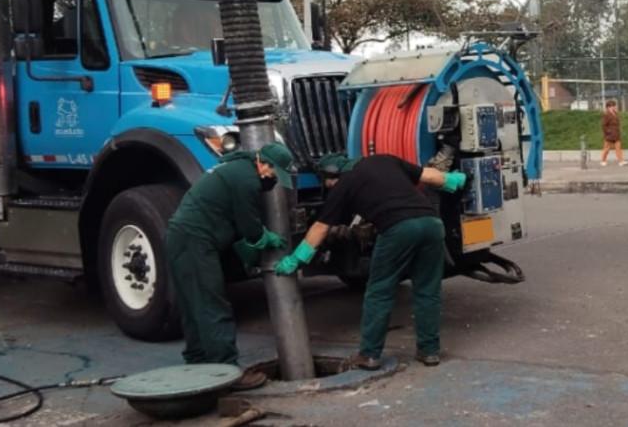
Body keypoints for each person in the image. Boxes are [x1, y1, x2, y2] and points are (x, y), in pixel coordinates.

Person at [274, 153, 467, 370]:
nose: (328, 186)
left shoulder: (344, 184)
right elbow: (429, 175)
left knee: (379, 292)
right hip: (432, 224)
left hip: (398, 228)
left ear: (332, 174)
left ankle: (369, 354)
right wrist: (454, 180)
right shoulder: (384, 160)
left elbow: (320, 228)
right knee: (427, 291)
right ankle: (429, 351)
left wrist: (297, 259)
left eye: (327, 182)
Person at [165, 142, 296, 390]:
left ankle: (198, 362)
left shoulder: (238, 167)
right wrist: (265, 237)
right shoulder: (247, 180)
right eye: (273, 173)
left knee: (194, 303)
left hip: (182, 237)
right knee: (212, 304)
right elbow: (250, 229)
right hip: (195, 240)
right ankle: (226, 371)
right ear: (263, 163)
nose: (273, 179)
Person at [600, 100, 628, 167]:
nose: (614, 107)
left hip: (616, 134)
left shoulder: (615, 113)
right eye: (612, 106)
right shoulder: (606, 114)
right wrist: (607, 132)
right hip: (609, 135)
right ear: (608, 107)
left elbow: (618, 123)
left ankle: (621, 161)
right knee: (606, 149)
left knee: (618, 148)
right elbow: (603, 125)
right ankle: (603, 160)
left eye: (614, 106)